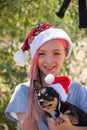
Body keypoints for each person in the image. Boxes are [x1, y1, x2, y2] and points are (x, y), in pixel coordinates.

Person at [5, 23, 87, 130]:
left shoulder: (77, 90)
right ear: (35, 56)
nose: (49, 61)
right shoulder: (24, 92)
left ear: (65, 54)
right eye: (42, 53)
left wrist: (70, 128)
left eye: (56, 53)